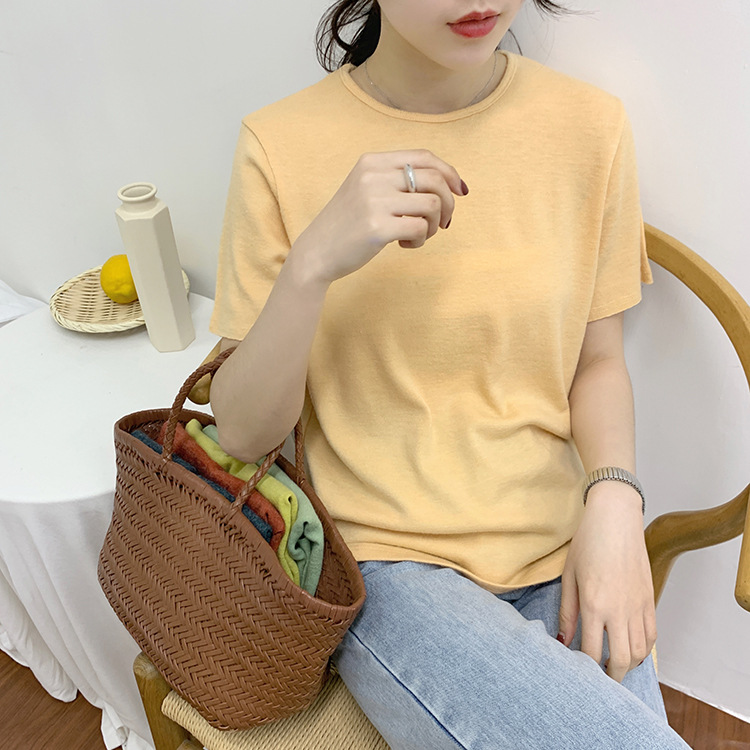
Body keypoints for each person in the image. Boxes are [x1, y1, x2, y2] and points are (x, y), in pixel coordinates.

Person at [208, 1, 691, 747]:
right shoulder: (279, 145)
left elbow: (597, 362)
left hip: (559, 543)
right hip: (385, 565)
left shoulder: (590, 126)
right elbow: (242, 434)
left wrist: (616, 503)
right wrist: (312, 264)